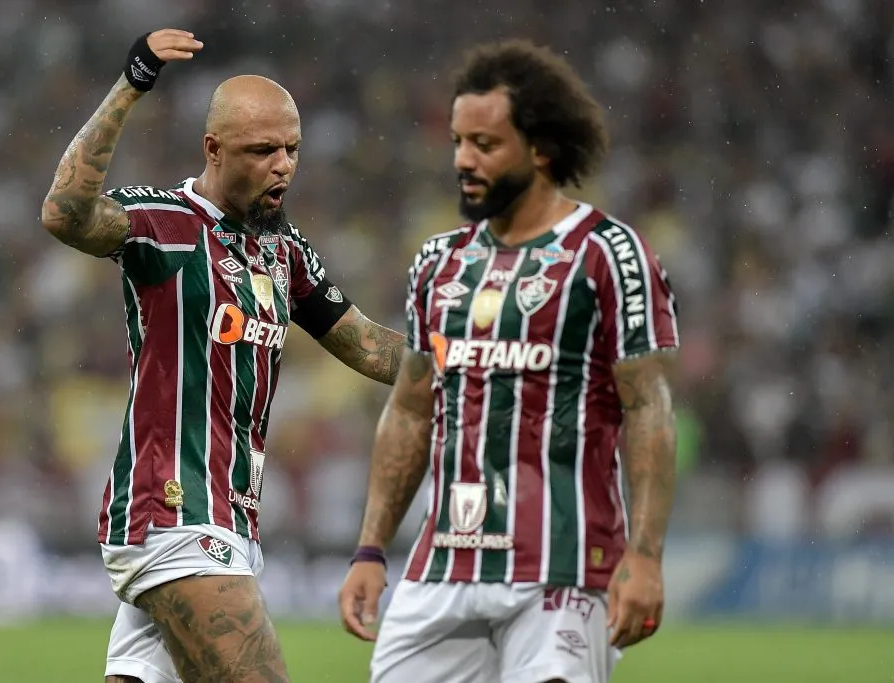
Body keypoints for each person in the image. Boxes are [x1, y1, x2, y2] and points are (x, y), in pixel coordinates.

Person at [40, 29, 405, 683]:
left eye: (292, 149)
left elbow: (369, 345)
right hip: (173, 509)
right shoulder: (165, 224)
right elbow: (65, 214)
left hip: (231, 514)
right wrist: (132, 84)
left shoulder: (282, 249)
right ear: (213, 148)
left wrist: (481, 363)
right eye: (263, 150)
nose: (283, 165)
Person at [338, 39, 680, 683]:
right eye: (457, 142)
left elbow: (648, 409)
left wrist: (645, 554)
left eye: (485, 144)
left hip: (563, 567)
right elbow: (410, 410)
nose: (463, 160)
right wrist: (371, 548)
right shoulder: (437, 263)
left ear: (542, 148)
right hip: (444, 564)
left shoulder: (608, 254)